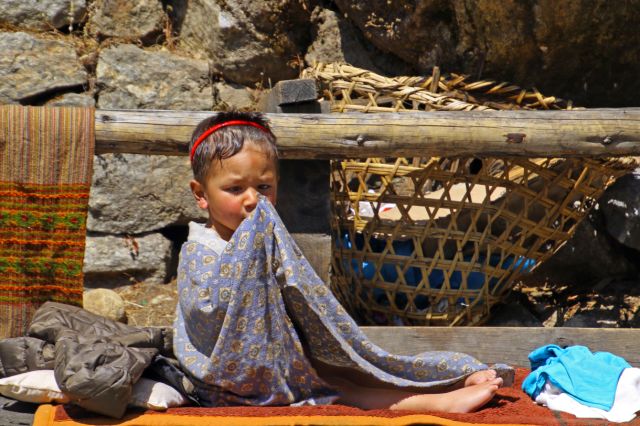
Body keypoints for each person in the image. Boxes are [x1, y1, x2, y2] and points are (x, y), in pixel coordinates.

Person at [174, 111, 506, 413]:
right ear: (201, 194)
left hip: (285, 357)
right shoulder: (200, 251)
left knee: (353, 367)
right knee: (341, 387)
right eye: (235, 189)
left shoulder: (267, 237)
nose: (253, 200)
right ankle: (433, 403)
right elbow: (208, 318)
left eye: (264, 187)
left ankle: (445, 380)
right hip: (236, 384)